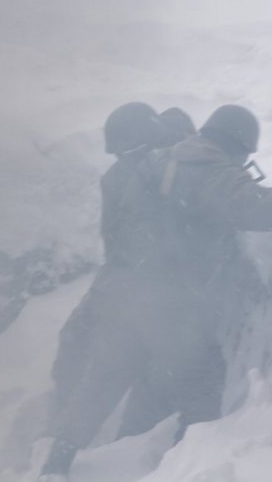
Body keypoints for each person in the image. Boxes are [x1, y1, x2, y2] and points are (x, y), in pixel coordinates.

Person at [39, 103, 218, 482]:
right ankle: (190, 464)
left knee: (100, 383)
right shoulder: (178, 167)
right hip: (166, 301)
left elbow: (112, 240)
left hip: (122, 295)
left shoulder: (120, 175)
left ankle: (58, 462)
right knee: (199, 385)